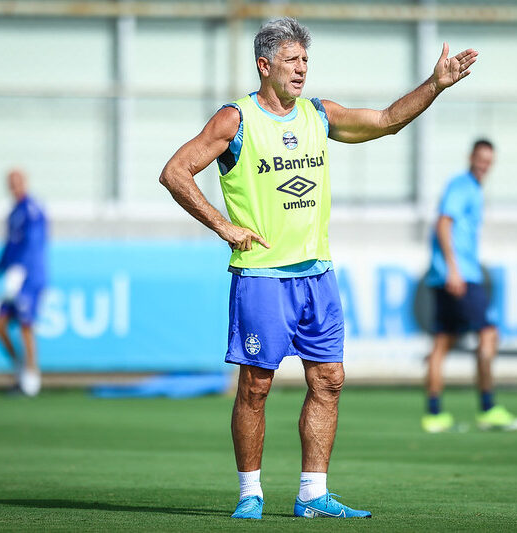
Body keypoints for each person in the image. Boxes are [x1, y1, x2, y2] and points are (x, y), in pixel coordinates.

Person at [159, 17, 477, 519]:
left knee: (329, 379)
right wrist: (224, 227)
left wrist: (435, 84)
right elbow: (175, 172)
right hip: (263, 277)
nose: (302, 68)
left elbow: (387, 120)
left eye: (306, 60)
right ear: (264, 66)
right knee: (255, 387)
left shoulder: (318, 115)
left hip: (317, 276)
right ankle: (250, 493)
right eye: (292, 60)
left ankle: (312, 494)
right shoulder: (234, 121)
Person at [421, 140, 517, 433]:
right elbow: (443, 224)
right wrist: (454, 269)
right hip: (461, 275)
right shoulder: (462, 186)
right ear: (471, 157)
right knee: (488, 333)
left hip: (445, 274)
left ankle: (434, 415)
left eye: (488, 161)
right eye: (481, 159)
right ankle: (488, 406)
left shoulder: (472, 188)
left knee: (442, 342)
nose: (484, 165)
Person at [0, 169, 48, 397]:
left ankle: (31, 377)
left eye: (17, 181)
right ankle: (20, 369)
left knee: (25, 324)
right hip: (13, 276)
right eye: (10, 183)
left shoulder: (32, 209)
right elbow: (9, 245)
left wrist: (22, 269)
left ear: (24, 182)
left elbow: (34, 243)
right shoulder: (13, 213)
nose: (14, 186)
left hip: (30, 277)